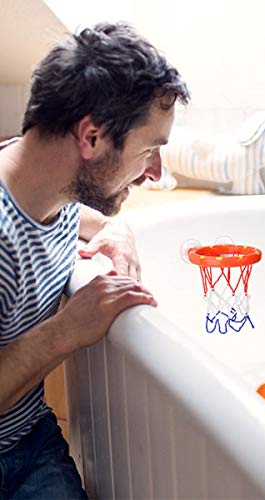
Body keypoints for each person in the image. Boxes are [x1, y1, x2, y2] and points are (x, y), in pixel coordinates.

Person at [0, 22, 189, 497]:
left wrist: (116, 228)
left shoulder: (47, 189)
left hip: (30, 436)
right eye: (150, 150)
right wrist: (68, 328)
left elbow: (88, 217)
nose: (155, 172)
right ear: (92, 138)